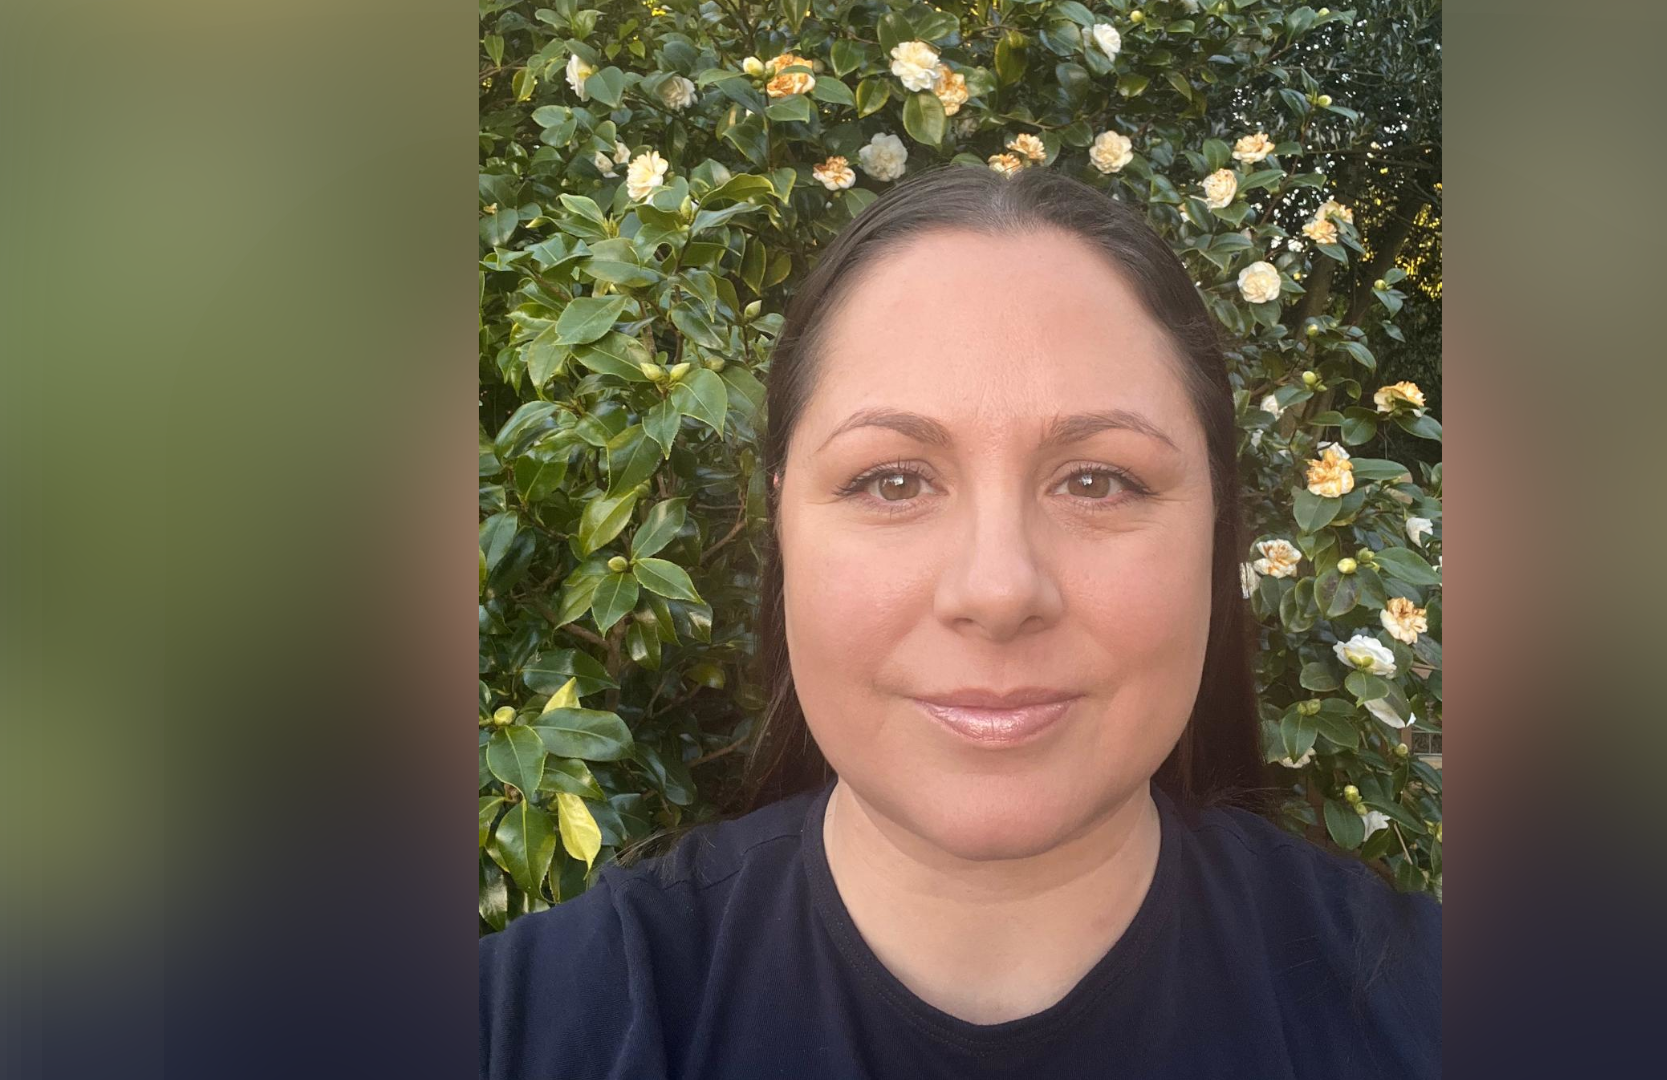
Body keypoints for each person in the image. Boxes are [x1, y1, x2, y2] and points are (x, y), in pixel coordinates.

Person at [479, 163, 1440, 1078]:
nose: (998, 588)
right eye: (892, 480)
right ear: (782, 520)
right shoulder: (519, 1027)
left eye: (1098, 480)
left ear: (1218, 530)